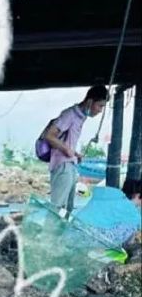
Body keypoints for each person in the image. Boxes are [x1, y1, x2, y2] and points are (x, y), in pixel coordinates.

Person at [39, 84, 108, 216]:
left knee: (67, 209)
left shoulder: (80, 117)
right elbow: (50, 135)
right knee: (57, 208)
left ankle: (59, 236)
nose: (100, 110)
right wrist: (67, 150)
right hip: (62, 166)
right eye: (100, 105)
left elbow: (65, 141)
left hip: (70, 165)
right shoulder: (70, 114)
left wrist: (74, 153)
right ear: (89, 101)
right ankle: (49, 236)